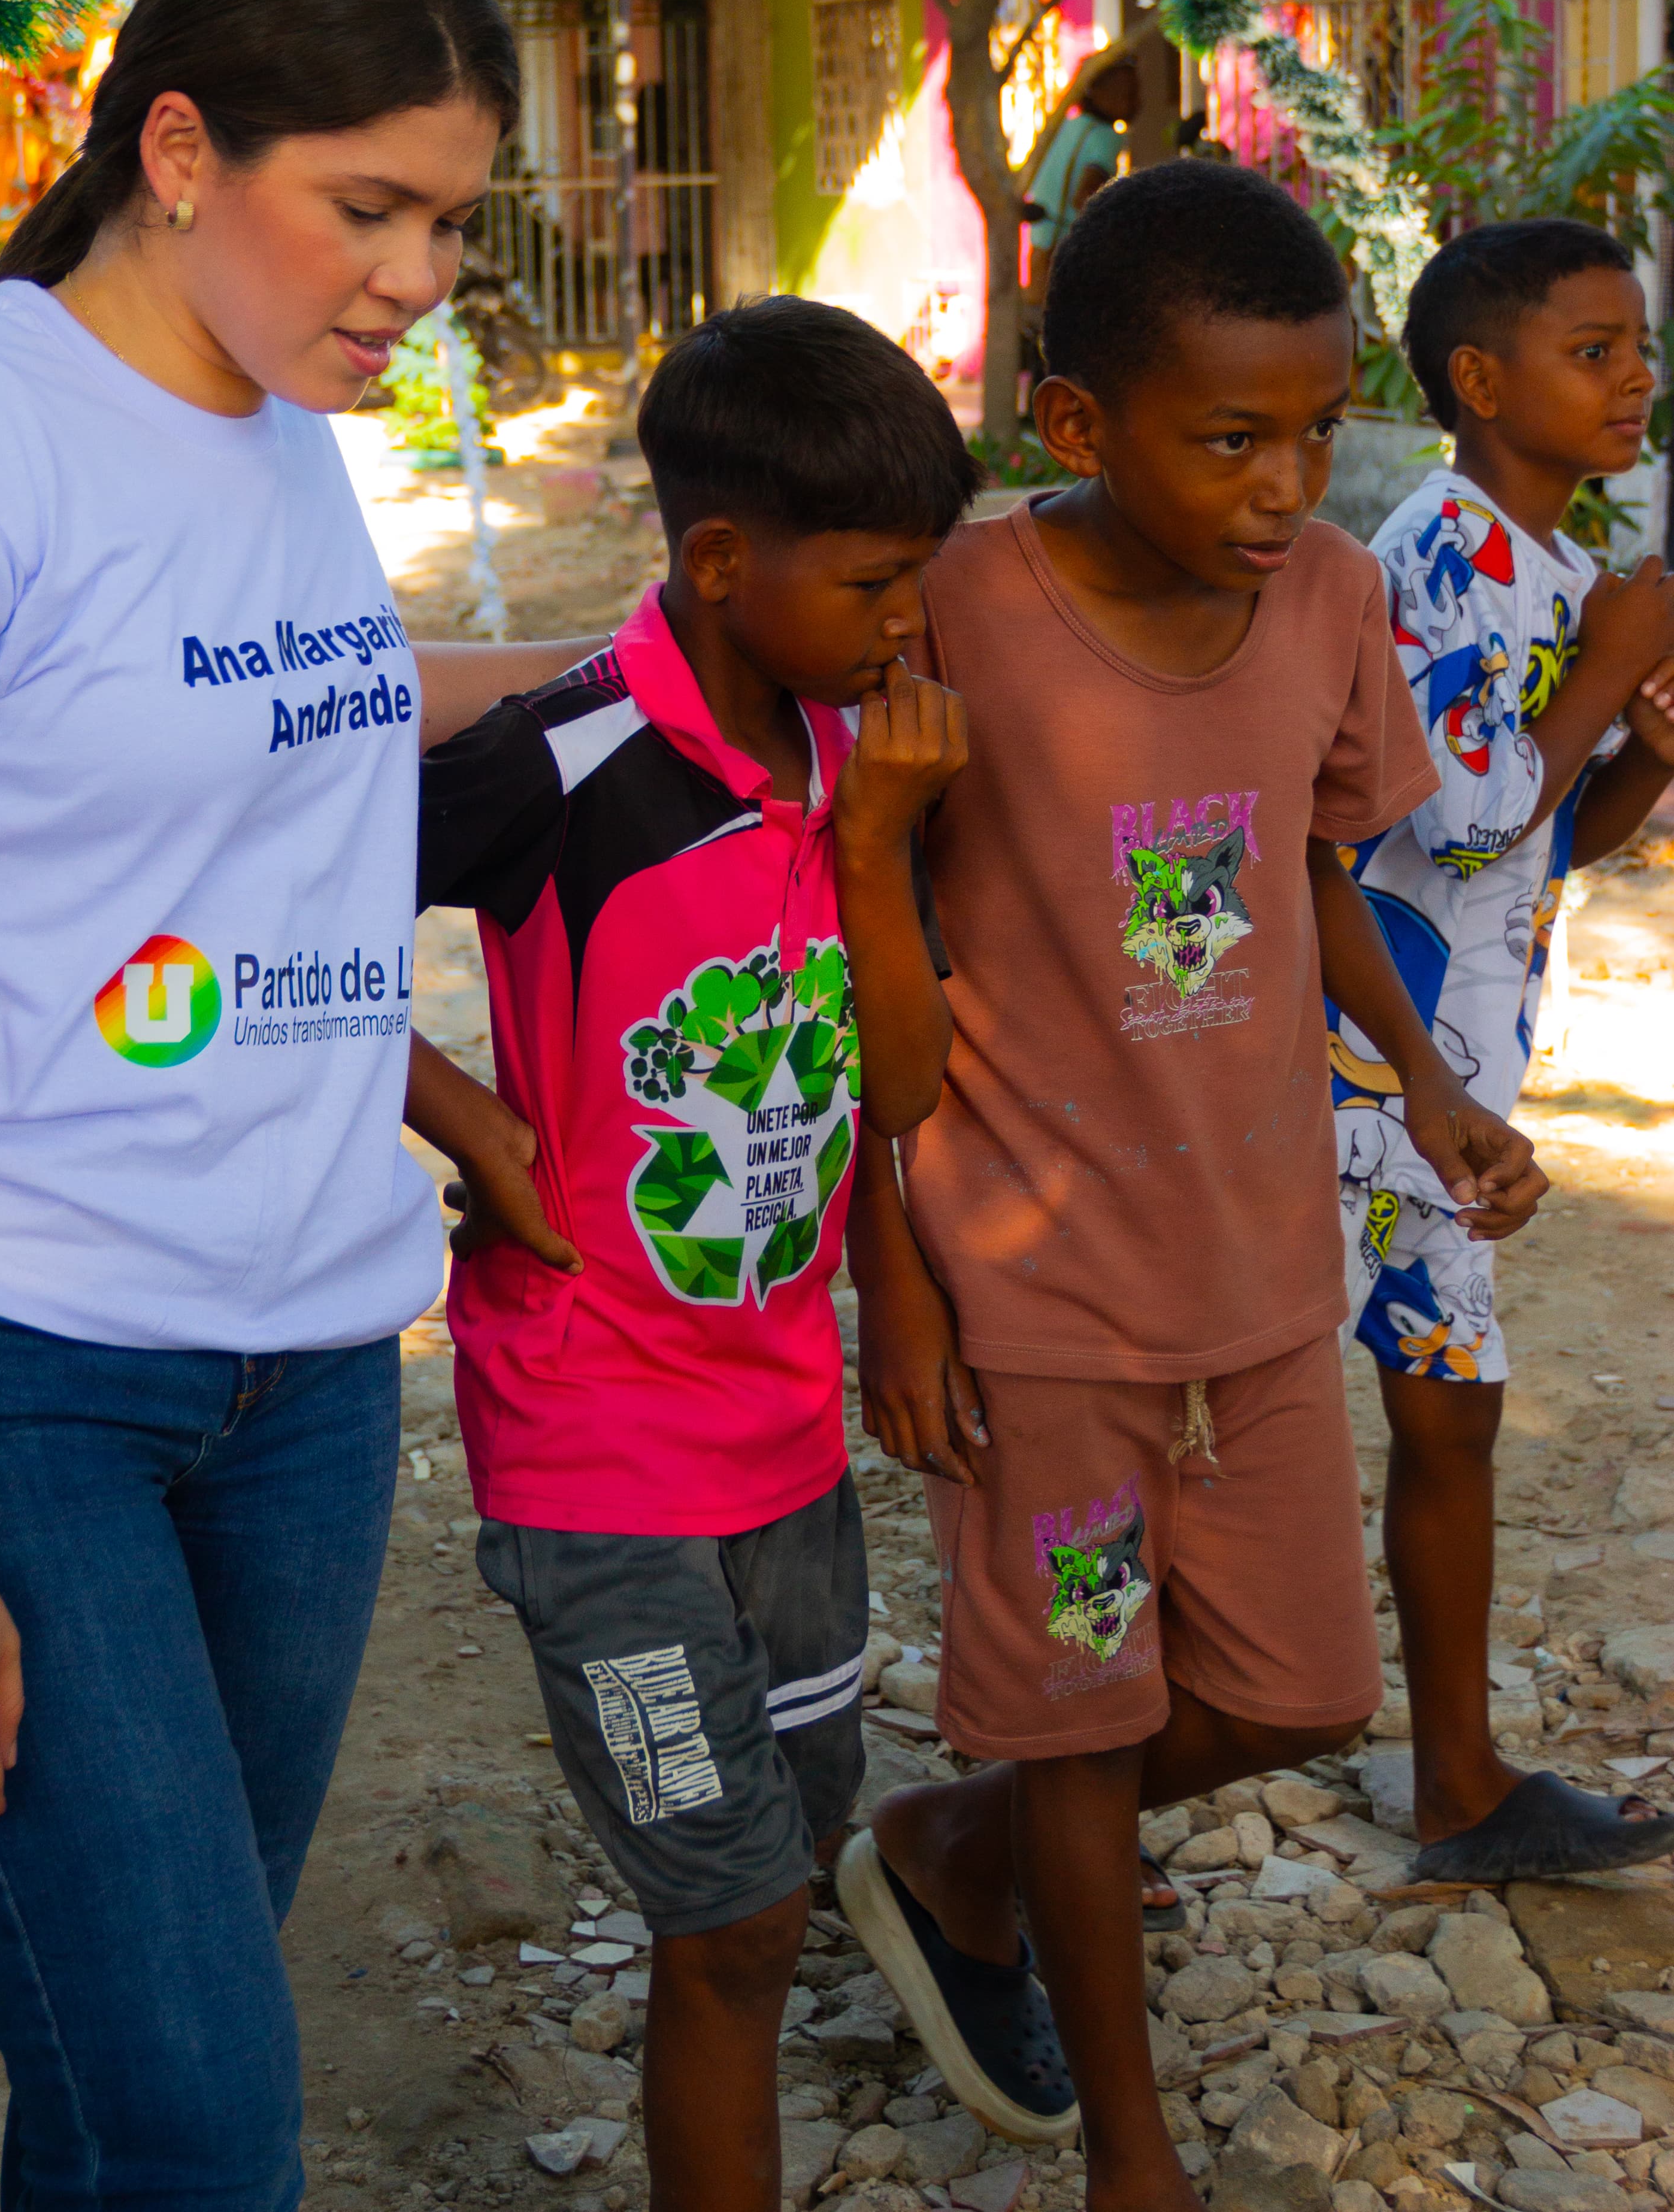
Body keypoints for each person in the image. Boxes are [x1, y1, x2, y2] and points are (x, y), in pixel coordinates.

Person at [0, 0, 603, 2212]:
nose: (419, 277)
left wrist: (672, 657)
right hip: (7, 1377)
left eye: (451, 222)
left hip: (300, 1377)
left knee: (127, 2083)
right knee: (199, 2120)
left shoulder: (275, 417)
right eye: (371, 208)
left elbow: (300, 735)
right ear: (182, 152)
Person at [831, 162, 1542, 2212]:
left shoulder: (1327, 601)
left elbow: (1313, 865)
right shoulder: (957, 609)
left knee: (1299, 1689)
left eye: (1317, 431)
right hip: (1042, 1311)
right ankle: (1125, 2156)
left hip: (1257, 1274)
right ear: (1077, 421)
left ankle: (946, 1849)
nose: (1285, 484)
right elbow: (857, 945)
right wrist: (900, 1273)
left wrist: (1430, 1085)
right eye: (1231, 438)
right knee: (1081, 1711)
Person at [404, 298, 1042, 2212]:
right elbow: (275, 911)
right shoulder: (566, 762)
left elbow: (903, 1085)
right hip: (592, 1449)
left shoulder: (866, 762)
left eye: (922, 582)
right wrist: (463, 1115)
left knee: (787, 1866)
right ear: (716, 562)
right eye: (873, 586)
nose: (909, 626)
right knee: (736, 1921)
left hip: (785, 1444)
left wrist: (880, 844)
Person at [1333, 219, 1674, 1882]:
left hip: (1451, 1085)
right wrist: (1607, 663)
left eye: (1638, 347)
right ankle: (1082, 1801)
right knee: (1225, 1428)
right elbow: (1459, 816)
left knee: (1451, 1413)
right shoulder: (1443, 555)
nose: (1635, 379)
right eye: (1591, 350)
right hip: (1363, 1071)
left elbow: (1544, 834)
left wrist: (1642, 753)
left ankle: (1458, 1778)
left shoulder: (1546, 557)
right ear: (1478, 379)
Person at [1019, 56, 1137, 284]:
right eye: (1127, 94)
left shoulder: (1069, 126)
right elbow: (1086, 197)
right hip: (1067, 252)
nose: (1135, 103)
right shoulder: (1104, 137)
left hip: (1042, 244)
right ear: (1098, 93)